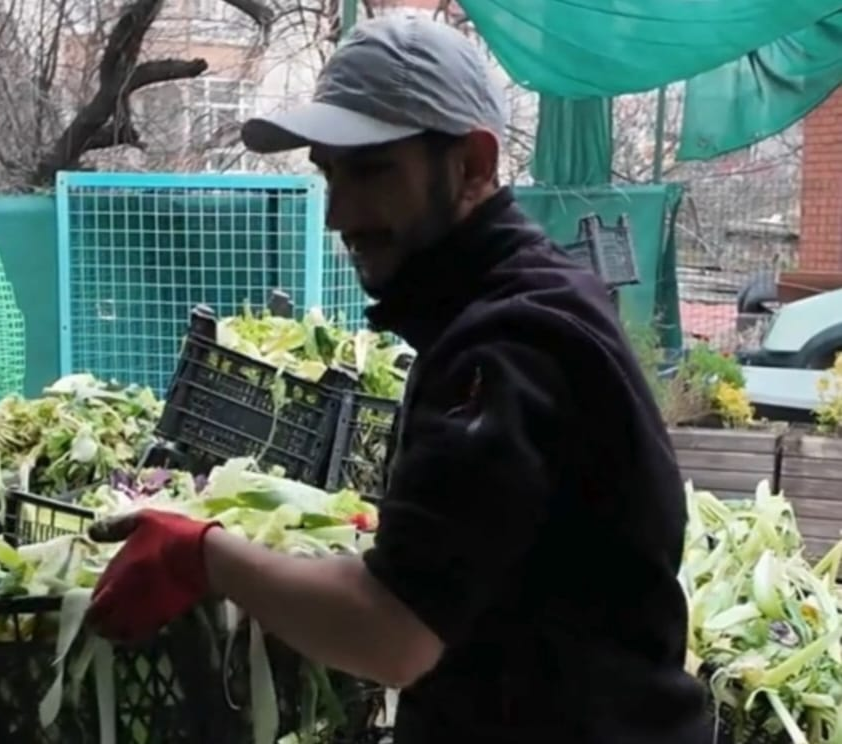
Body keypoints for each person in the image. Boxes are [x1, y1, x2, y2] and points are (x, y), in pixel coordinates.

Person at [86, 14, 712, 744]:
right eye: (329, 172)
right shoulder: (509, 309)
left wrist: (202, 553)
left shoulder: (508, 345)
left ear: (473, 165)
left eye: (372, 170)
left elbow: (395, 633)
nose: (339, 214)